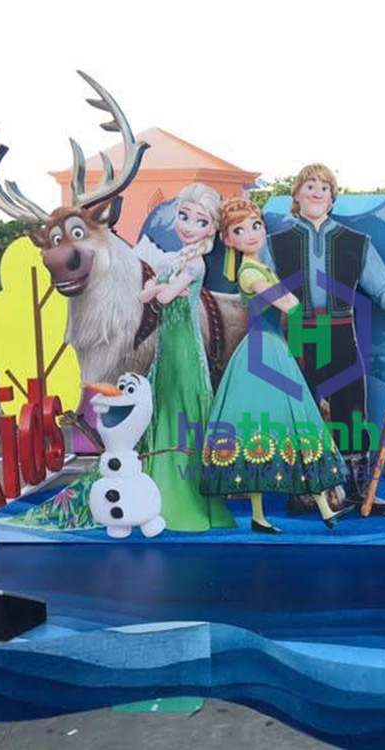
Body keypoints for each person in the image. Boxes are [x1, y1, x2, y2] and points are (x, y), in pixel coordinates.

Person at [260, 163, 385, 508]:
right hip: (297, 336)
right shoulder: (273, 246)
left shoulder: (357, 244)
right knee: (301, 413)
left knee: (352, 412)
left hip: (342, 333)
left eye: (324, 187)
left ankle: (358, 492)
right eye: (309, 185)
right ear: (296, 195)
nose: (317, 192)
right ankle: (304, 493)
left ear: (332, 198)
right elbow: (255, 290)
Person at [201, 198, 348, 533]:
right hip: (263, 351)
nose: (251, 234)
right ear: (228, 239)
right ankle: (290, 512)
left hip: (272, 348)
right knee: (274, 426)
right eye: (240, 230)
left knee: (290, 424)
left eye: (256, 226)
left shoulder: (261, 269)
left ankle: (315, 510)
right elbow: (290, 304)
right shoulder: (250, 272)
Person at [139, 183, 236, 532]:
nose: (189, 226)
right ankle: (158, 488)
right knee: (163, 406)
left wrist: (157, 289)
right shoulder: (176, 259)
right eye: (184, 216)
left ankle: (181, 496)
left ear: (211, 229)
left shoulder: (195, 263)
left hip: (184, 352)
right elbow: (146, 295)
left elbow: (163, 298)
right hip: (167, 349)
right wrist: (157, 289)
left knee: (180, 408)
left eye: (200, 221)